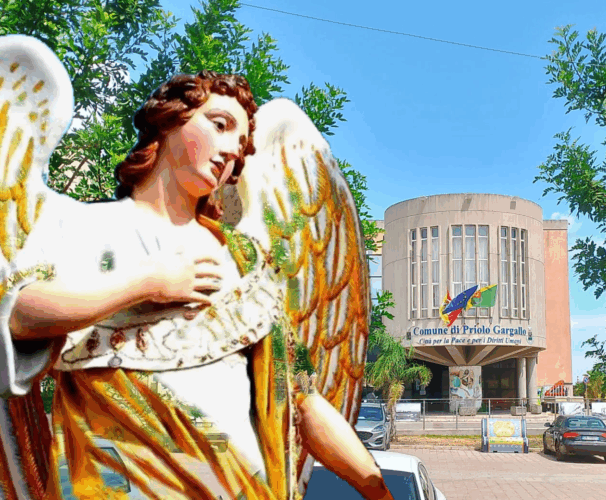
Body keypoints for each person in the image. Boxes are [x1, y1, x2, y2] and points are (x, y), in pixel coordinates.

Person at [1, 69, 392, 500]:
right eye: (219, 125)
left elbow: (301, 396)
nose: (230, 151)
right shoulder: (84, 226)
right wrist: (147, 284)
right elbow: (19, 316)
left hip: (241, 488)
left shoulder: (245, 258)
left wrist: (374, 487)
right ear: (170, 119)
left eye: (240, 147)